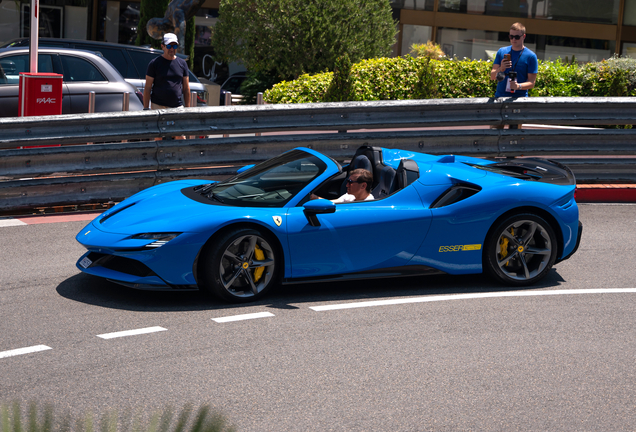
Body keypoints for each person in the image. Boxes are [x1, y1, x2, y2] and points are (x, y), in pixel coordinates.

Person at [490, 23, 538, 125]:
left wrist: (518, 86)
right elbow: (492, 76)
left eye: (516, 37)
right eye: (511, 36)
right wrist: (501, 68)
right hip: (500, 98)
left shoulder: (531, 56)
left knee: (515, 136)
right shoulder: (502, 51)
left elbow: (532, 82)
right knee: (495, 133)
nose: (513, 39)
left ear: (523, 36)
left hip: (518, 100)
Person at [143, 33, 191, 111]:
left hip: (177, 106)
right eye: (169, 46)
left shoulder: (182, 63)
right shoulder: (154, 63)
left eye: (174, 46)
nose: (172, 49)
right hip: (157, 106)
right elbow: (148, 87)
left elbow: (186, 88)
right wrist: (145, 108)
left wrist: (188, 109)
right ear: (163, 46)